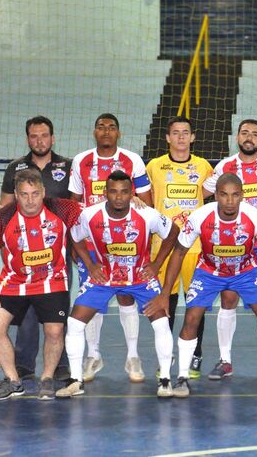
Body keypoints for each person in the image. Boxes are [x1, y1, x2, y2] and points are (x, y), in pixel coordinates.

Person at [161, 173, 257, 398]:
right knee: (192, 317)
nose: (229, 201)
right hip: (209, 271)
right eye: (223, 195)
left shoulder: (256, 217)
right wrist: (165, 292)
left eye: (234, 195)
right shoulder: (200, 216)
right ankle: (182, 377)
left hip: (245, 270)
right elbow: (180, 251)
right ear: (216, 195)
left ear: (242, 196)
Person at [56, 171, 179, 398]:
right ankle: (75, 381)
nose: (119, 197)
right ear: (105, 194)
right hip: (105, 278)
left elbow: (173, 232)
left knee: (161, 323)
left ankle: (165, 380)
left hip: (140, 278)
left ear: (132, 193)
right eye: (113, 191)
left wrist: (157, 263)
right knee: (74, 322)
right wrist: (91, 265)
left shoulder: (146, 214)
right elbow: (73, 235)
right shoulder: (89, 215)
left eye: (124, 192)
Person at [0, 169, 82, 400]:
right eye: (24, 194)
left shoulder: (62, 208)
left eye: (35, 194)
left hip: (52, 281)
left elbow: (97, 210)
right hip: (13, 282)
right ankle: (14, 380)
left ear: (43, 192)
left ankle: (47, 378)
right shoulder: (2, 218)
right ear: (16, 195)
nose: (30, 200)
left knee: (55, 330)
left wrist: (134, 200)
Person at [203, 119, 257, 380]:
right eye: (245, 133)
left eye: (255, 134)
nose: (249, 137)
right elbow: (203, 192)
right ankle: (225, 360)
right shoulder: (225, 166)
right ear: (238, 138)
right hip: (231, 246)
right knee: (228, 300)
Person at [69, 113, 153, 383]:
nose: (106, 131)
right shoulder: (81, 161)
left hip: (127, 241)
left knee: (127, 296)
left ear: (119, 133)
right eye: (101, 127)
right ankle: (93, 355)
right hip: (93, 242)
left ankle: (132, 356)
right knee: (94, 299)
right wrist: (76, 243)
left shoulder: (133, 160)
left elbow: (147, 204)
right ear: (94, 132)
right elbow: (74, 204)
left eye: (112, 127)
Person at [0, 115, 71, 382]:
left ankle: (60, 364)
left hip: (57, 253)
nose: (39, 140)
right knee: (26, 311)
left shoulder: (68, 166)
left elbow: (77, 204)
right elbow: (6, 208)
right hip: (23, 252)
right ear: (28, 138)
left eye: (44, 135)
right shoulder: (15, 168)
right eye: (33, 136)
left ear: (52, 138)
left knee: (56, 311)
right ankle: (24, 364)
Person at [145, 117, 214, 379]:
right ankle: (166, 356)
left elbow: (209, 195)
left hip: (195, 245)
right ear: (167, 138)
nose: (181, 137)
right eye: (176, 133)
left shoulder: (204, 166)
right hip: (162, 245)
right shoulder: (154, 166)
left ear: (193, 137)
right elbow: (144, 196)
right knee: (165, 302)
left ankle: (195, 354)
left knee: (196, 301)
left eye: (186, 133)